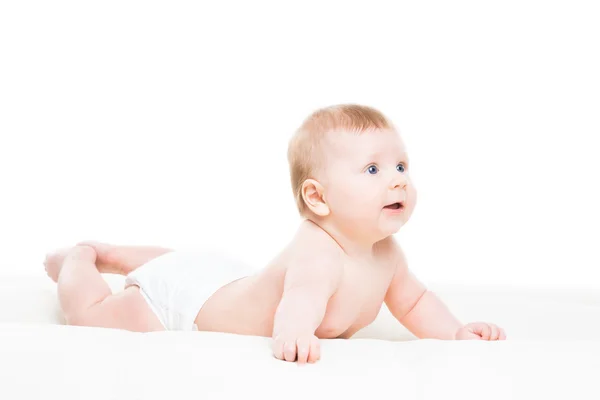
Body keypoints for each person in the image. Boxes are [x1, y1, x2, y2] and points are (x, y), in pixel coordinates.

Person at [44, 104, 506, 364]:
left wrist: (456, 333)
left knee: (179, 262)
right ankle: (81, 259)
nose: (399, 179)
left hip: (218, 277)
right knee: (95, 314)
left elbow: (414, 301)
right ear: (318, 198)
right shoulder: (318, 252)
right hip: (185, 306)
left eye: (401, 165)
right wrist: (295, 334)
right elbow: (300, 302)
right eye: (373, 169)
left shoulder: (386, 252)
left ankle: (121, 254)